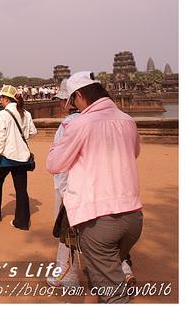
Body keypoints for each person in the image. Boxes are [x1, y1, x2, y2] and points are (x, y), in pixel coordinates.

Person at [46, 72, 142, 303]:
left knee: (114, 296)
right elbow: (134, 153)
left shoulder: (79, 124)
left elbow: (54, 164)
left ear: (79, 95)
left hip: (98, 221)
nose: (72, 105)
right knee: (101, 276)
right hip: (132, 217)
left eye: (72, 100)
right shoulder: (127, 120)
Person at [0, 84, 37, 230]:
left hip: (5, 157)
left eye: (1, 98)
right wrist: (20, 139)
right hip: (21, 157)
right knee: (21, 189)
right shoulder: (25, 113)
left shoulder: (3, 114)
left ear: (5, 99)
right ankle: (21, 221)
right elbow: (32, 132)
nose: (0, 100)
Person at [46, 79, 81, 288]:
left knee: (67, 232)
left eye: (63, 101)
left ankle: (67, 275)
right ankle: (123, 269)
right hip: (92, 184)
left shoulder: (68, 125)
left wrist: (62, 188)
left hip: (69, 185)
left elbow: (56, 162)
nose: (61, 105)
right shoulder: (94, 121)